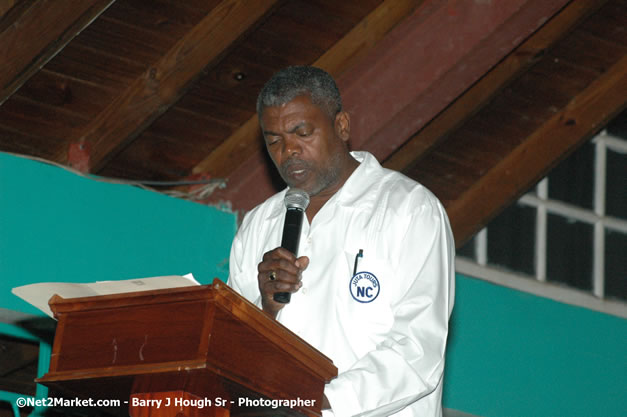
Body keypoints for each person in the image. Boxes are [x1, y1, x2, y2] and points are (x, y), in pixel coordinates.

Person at [228, 66, 455, 417]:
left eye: (302, 133)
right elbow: (233, 352)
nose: (289, 151)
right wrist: (266, 309)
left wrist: (320, 399)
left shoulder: (408, 209)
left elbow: (417, 348)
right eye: (274, 140)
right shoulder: (259, 225)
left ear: (342, 126)